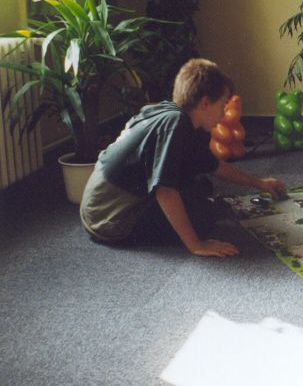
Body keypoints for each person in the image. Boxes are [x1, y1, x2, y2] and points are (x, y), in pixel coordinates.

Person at [80, 58, 287, 257]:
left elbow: (213, 165)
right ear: (205, 103)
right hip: (111, 219)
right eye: (223, 105)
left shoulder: (189, 120)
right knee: (202, 218)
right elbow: (165, 191)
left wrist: (260, 183)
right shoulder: (175, 123)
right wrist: (196, 245)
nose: (224, 114)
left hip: (106, 205)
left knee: (201, 187)